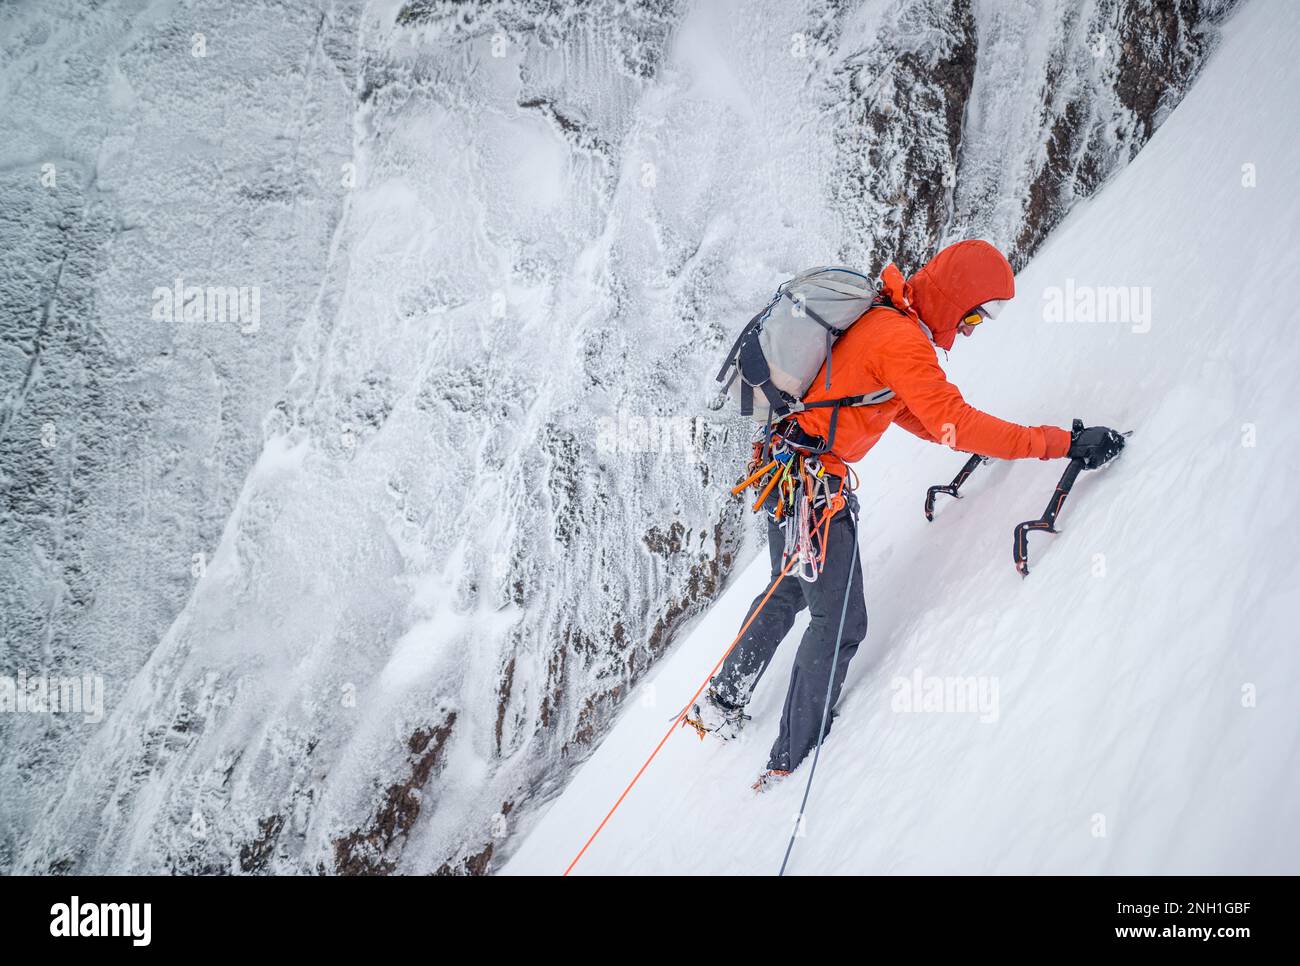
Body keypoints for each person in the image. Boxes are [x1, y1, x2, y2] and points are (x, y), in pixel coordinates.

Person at [687, 240, 1125, 791]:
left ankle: (723, 698)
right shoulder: (901, 339)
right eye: (974, 314)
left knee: (790, 589)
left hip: (785, 471)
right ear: (955, 296)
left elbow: (915, 416)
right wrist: (1059, 442)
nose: (971, 328)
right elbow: (952, 421)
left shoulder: (885, 320)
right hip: (813, 490)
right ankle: (787, 764)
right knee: (842, 620)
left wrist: (987, 437)